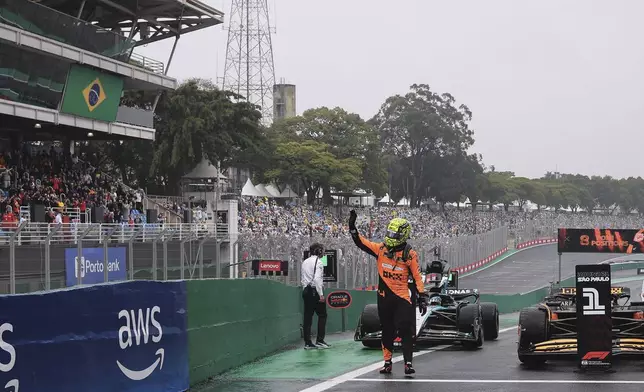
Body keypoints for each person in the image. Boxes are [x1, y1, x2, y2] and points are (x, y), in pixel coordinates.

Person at [348, 210, 428, 374]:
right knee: (387, 330)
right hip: (384, 298)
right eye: (390, 232)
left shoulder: (409, 254)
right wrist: (352, 227)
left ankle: (408, 363)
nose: (391, 236)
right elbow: (361, 243)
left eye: (394, 233)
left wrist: (422, 296)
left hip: (402, 298)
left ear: (403, 235)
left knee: (406, 329)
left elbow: (417, 277)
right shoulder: (380, 249)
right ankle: (387, 363)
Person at [301, 242, 330, 349]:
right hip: (315, 291)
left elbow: (303, 279)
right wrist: (321, 294)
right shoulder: (319, 262)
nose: (323, 252)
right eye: (322, 250)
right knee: (322, 315)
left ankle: (307, 342)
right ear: (318, 251)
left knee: (307, 317)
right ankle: (320, 340)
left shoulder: (305, 262)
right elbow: (317, 279)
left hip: (306, 291)